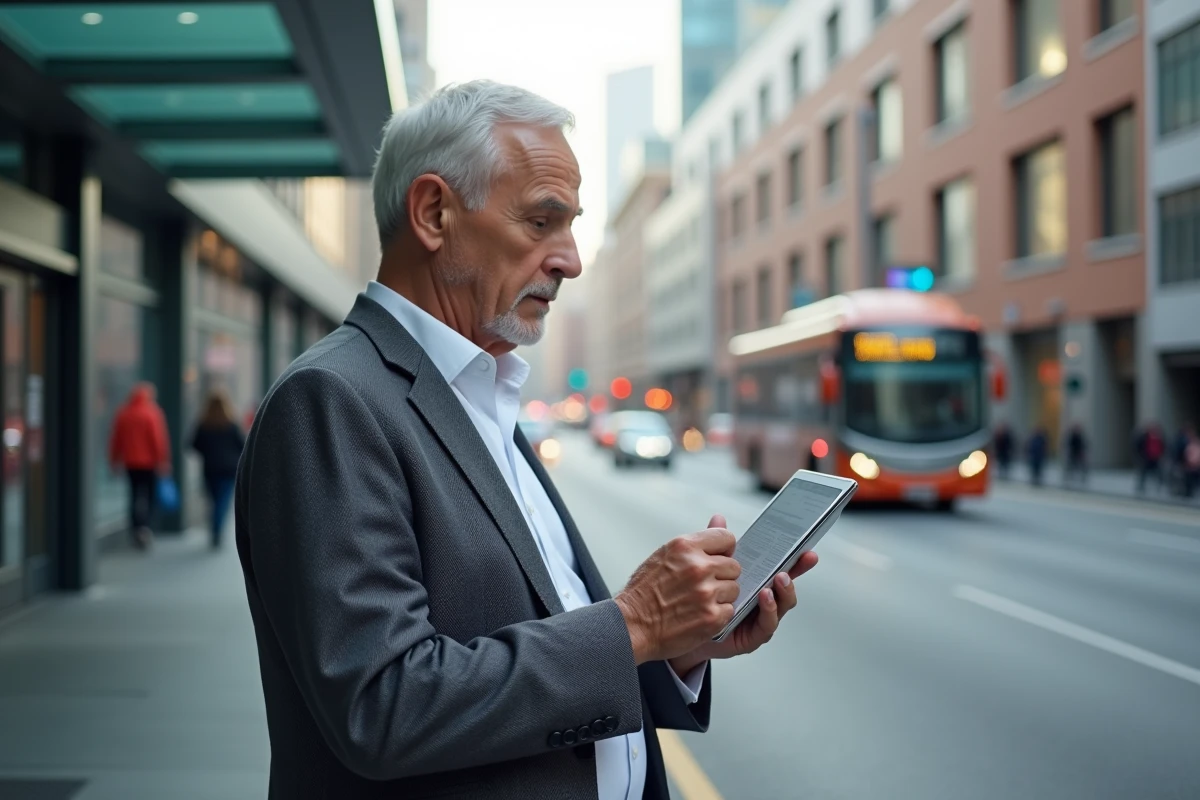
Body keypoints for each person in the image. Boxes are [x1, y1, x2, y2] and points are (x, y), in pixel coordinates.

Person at [236, 81, 819, 799]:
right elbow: (384, 706)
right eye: (543, 222)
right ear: (433, 212)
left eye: (571, 227)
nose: (570, 260)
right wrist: (636, 623)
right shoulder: (331, 399)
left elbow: (548, 651)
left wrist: (674, 647)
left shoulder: (480, 392)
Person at [109, 382, 171, 550]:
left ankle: (136, 527)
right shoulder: (152, 413)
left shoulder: (123, 413)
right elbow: (158, 440)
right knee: (149, 496)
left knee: (134, 494)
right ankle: (146, 527)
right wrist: (163, 461)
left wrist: (114, 460)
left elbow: (116, 439)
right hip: (149, 463)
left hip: (130, 463)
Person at [190, 389, 246, 550]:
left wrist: (208, 451)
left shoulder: (204, 425)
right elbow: (242, 445)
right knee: (223, 501)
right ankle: (217, 529)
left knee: (214, 500)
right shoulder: (231, 425)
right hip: (228, 469)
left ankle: (215, 528)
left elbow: (194, 445)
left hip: (210, 468)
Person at [1135, 423, 1165, 494]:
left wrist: (1161, 455)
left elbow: (1162, 446)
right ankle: (1141, 486)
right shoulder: (1144, 437)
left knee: (1159, 472)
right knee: (1143, 473)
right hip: (1146, 458)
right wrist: (1141, 456)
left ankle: (1160, 485)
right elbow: (1138, 446)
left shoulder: (1159, 437)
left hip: (1156, 458)